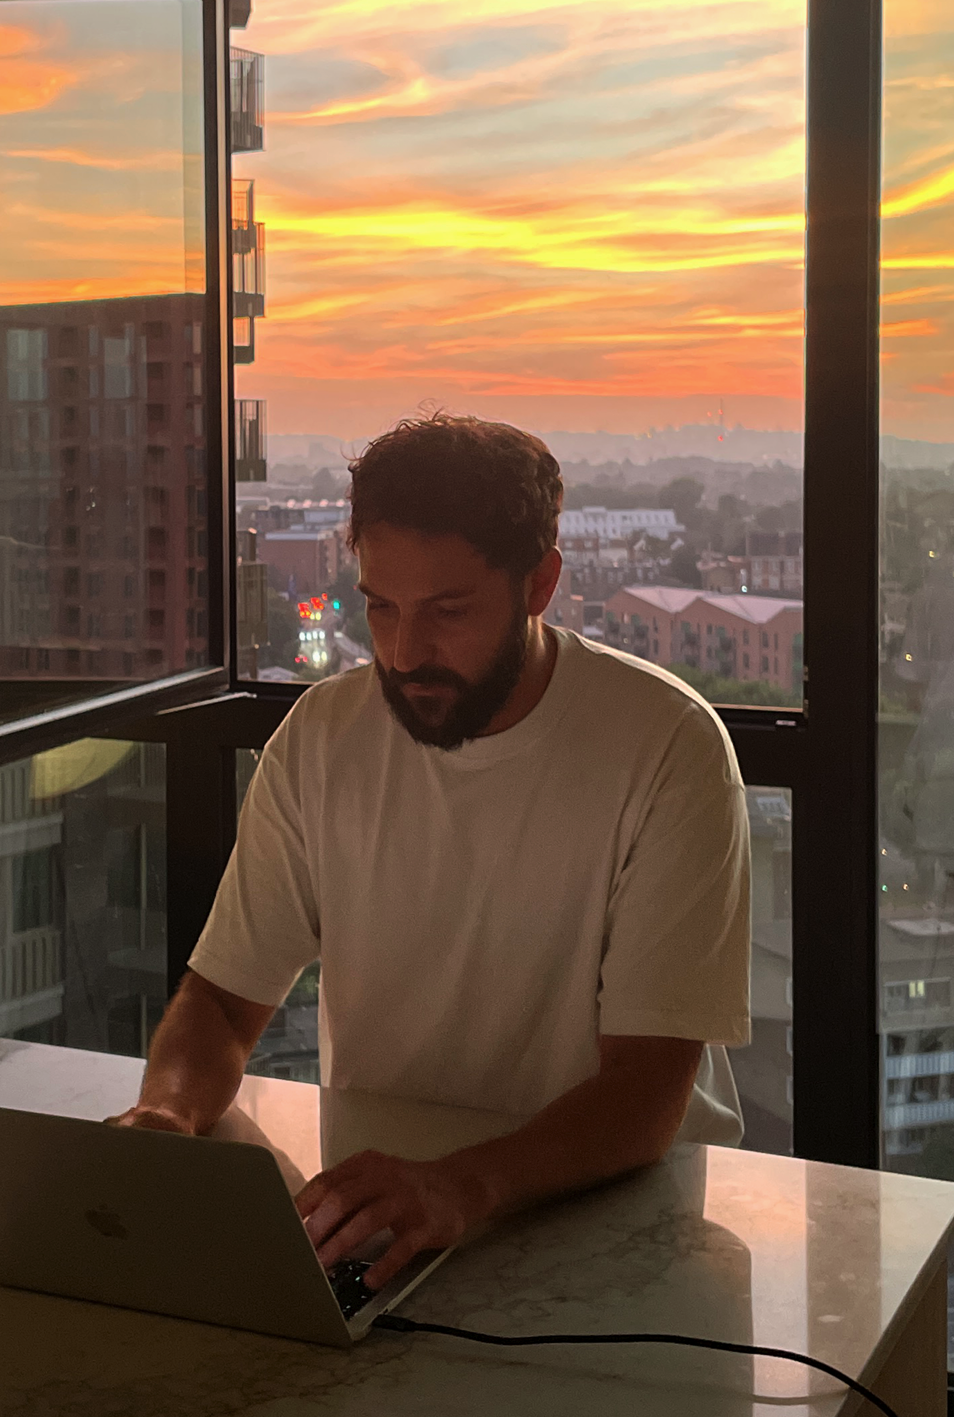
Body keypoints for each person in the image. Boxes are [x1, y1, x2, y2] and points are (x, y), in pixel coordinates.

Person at [113, 413, 752, 1291]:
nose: (405, 652)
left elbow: (644, 1094)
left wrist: (462, 1185)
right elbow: (222, 1003)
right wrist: (165, 1115)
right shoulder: (324, 739)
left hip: (626, 1225)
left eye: (448, 611)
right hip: (384, 1221)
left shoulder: (668, 746)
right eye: (381, 607)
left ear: (541, 583)